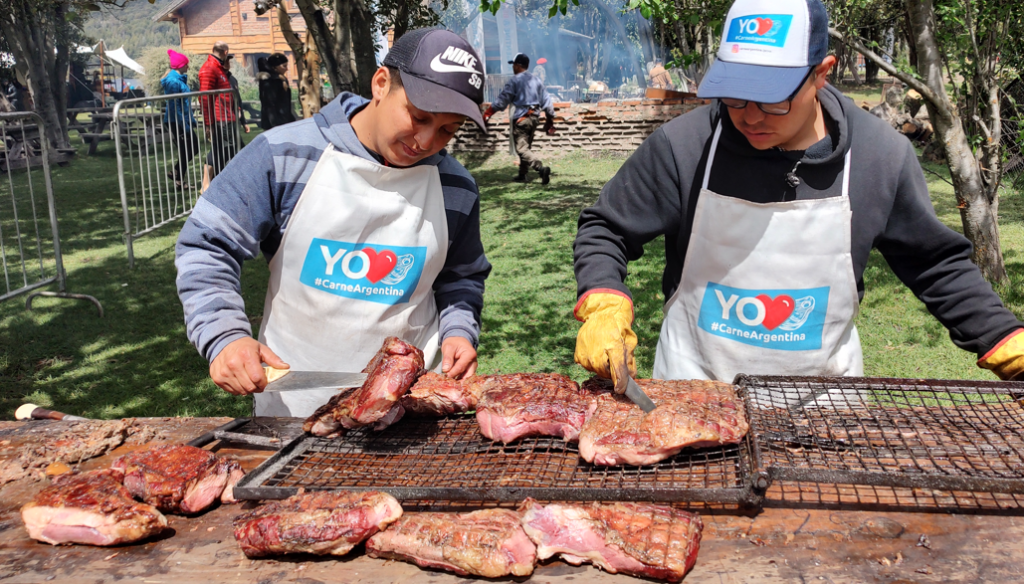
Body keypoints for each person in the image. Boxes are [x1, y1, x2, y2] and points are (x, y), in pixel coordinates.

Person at [572, 0, 1024, 403]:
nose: (748, 115)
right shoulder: (685, 147)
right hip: (694, 395)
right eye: (735, 94)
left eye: (772, 100)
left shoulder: (880, 158)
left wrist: (1004, 340)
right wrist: (604, 300)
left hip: (823, 403)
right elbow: (606, 228)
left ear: (822, 73)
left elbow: (935, 265)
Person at [175, 28, 492, 417]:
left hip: (407, 409)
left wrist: (459, 330)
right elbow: (207, 244)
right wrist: (225, 336)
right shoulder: (284, 156)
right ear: (380, 84)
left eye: (447, 130)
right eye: (418, 117)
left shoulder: (455, 187)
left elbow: (461, 276)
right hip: (293, 405)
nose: (426, 141)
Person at [482, 53, 555, 184]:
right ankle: (522, 174)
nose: (513, 68)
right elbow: (547, 102)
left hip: (522, 118)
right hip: (534, 118)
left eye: (514, 65)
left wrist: (488, 113)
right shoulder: (536, 80)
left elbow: (503, 100)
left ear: (517, 65)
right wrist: (550, 120)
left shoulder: (515, 81)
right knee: (526, 147)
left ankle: (540, 168)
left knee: (521, 149)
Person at [198, 41, 242, 190]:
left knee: (223, 151)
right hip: (220, 119)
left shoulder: (218, 68)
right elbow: (205, 97)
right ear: (225, 52)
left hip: (228, 118)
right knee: (225, 151)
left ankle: (211, 184)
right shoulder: (209, 68)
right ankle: (208, 184)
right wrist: (208, 123)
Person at [161, 50, 199, 189]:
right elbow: (174, 105)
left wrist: (190, 120)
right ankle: (178, 178)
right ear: (179, 66)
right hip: (176, 121)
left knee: (191, 148)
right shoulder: (172, 82)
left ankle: (177, 176)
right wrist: (184, 124)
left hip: (182, 121)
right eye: (186, 65)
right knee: (188, 149)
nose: (188, 67)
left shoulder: (179, 80)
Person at [258, 53, 297, 130]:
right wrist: (274, 125)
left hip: (284, 119)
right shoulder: (269, 81)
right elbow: (269, 104)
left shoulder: (282, 79)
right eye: (284, 66)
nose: (287, 69)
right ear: (275, 67)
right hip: (275, 122)